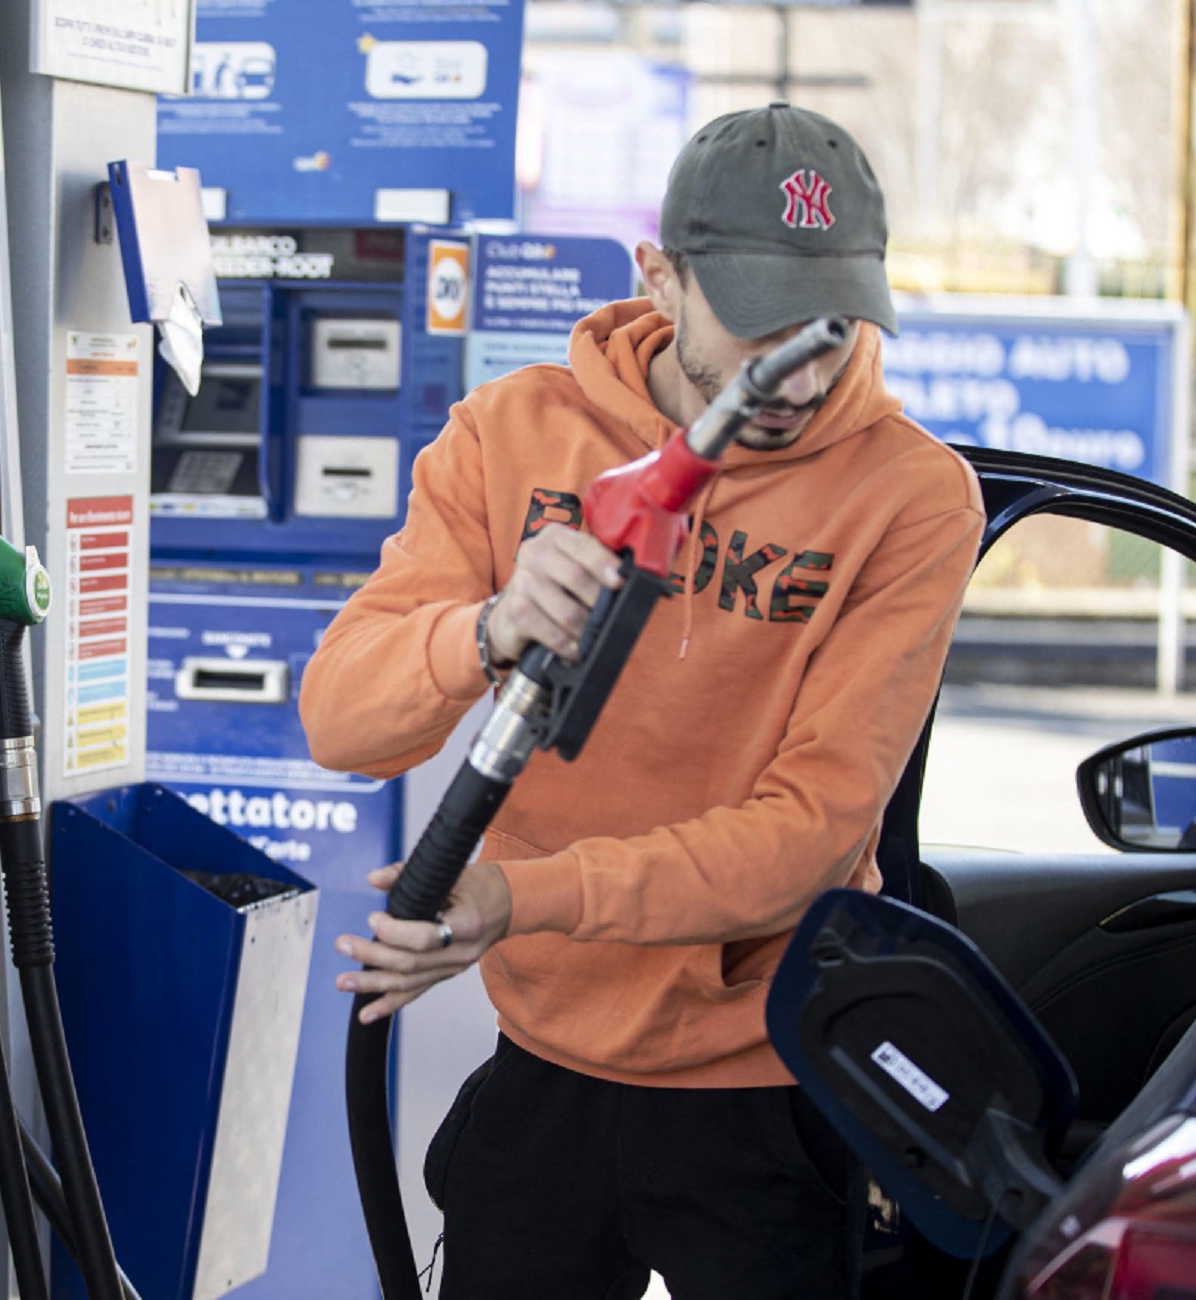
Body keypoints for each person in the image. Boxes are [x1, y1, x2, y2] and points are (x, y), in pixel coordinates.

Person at [299, 102, 985, 1299]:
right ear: (658, 278)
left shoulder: (908, 495)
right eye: (761, 319)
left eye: (829, 325)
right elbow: (341, 722)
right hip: (547, 1065)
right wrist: (488, 629)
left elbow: (807, 837)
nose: (799, 369)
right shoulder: (511, 434)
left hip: (766, 1080)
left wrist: (520, 897)